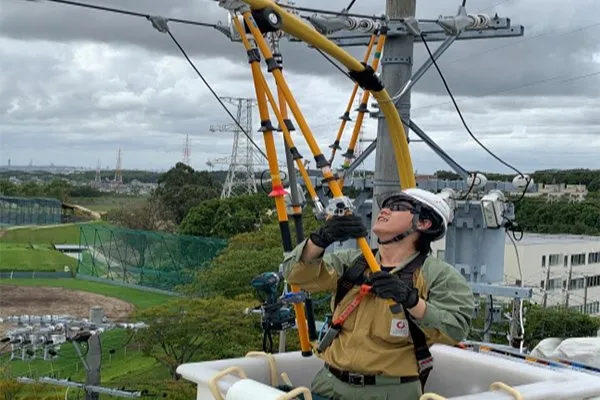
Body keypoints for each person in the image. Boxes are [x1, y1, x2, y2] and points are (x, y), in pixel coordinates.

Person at [280, 188, 475, 400]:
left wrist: (410, 300)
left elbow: (455, 328)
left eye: (398, 207)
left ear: (424, 223)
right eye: (386, 206)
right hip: (328, 387)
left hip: (389, 393)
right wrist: (319, 240)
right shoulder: (352, 263)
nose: (385, 211)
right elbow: (295, 275)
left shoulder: (439, 275)